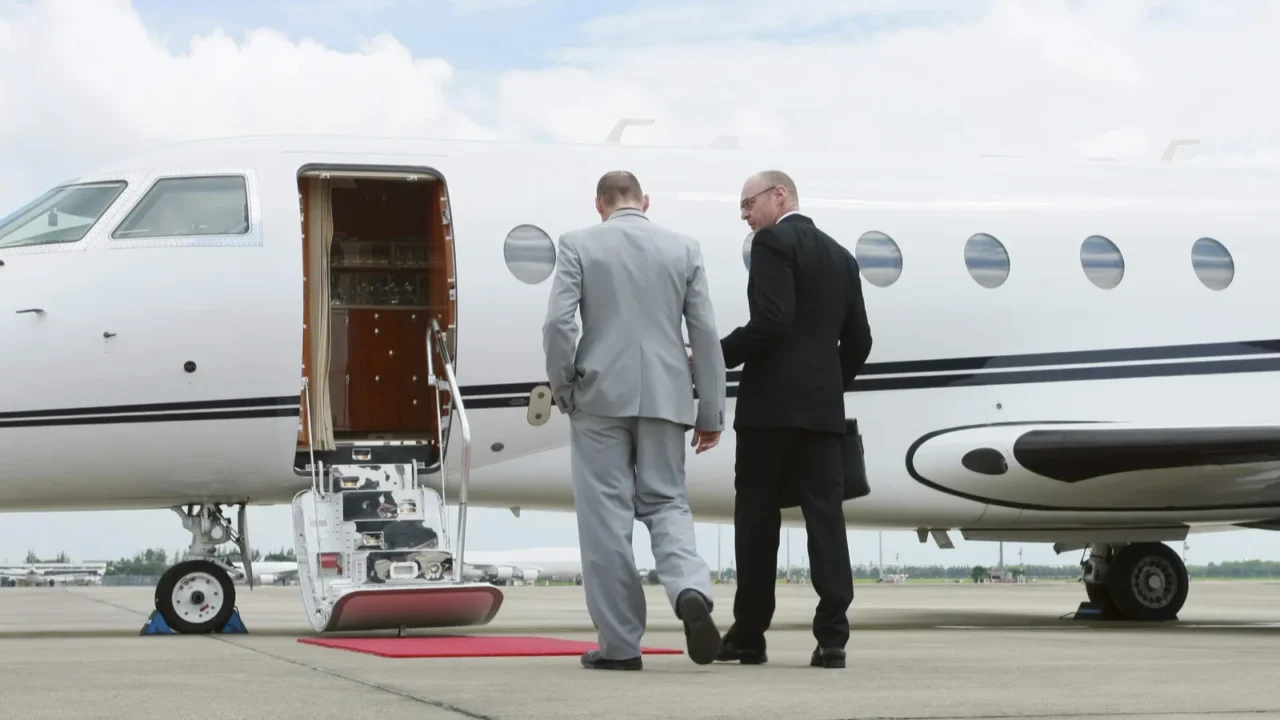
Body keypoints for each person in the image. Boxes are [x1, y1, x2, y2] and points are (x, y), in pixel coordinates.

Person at [542, 170, 727, 671]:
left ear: (599, 204)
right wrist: (710, 410)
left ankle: (620, 646)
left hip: (599, 397)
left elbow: (559, 323)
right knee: (667, 503)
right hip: (667, 397)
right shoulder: (684, 249)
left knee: (606, 519)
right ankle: (690, 589)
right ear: (645, 201)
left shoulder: (579, 244)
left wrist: (565, 389)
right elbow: (705, 333)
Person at [714, 170, 873, 670]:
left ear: (779, 195)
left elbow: (773, 321)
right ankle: (832, 639)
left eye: (747, 203)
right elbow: (861, 341)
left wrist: (713, 356)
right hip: (823, 416)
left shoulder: (771, 242)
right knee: (826, 520)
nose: (744, 214)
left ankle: (750, 635)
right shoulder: (841, 256)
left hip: (769, 412)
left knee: (757, 522)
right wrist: (828, 387)